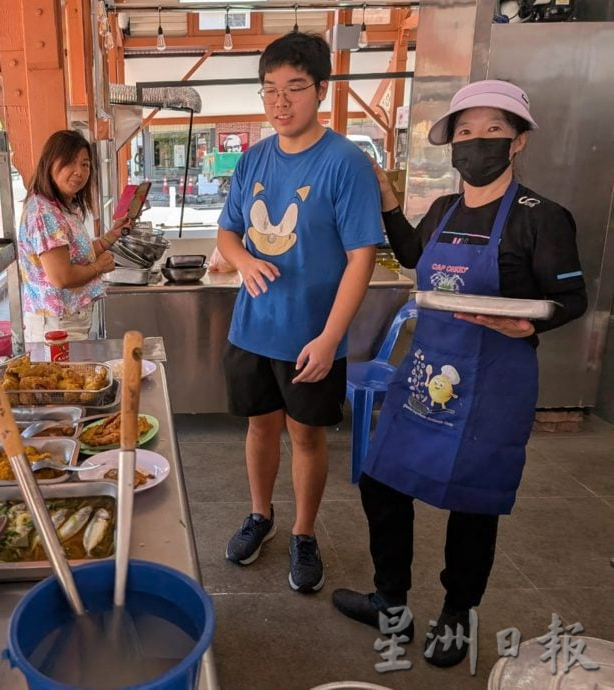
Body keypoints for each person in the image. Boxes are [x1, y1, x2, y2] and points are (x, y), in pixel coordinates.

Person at [331, 80, 587, 668]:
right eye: (464, 133)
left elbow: (570, 298)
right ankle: (390, 600)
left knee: (473, 505)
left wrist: (531, 325)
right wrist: (390, 203)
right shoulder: (445, 209)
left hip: (494, 383)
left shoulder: (541, 217)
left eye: (491, 130)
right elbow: (417, 258)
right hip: (426, 374)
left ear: (517, 141)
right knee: (381, 480)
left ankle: (457, 617)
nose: (475, 144)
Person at [217, 32, 384, 593]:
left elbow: (363, 258)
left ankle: (304, 533)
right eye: (269, 91)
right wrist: (242, 261)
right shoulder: (253, 158)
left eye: (294, 89)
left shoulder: (346, 163)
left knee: (307, 437)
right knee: (259, 427)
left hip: (312, 336)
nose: (280, 102)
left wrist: (331, 337)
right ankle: (261, 516)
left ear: (321, 90)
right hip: (252, 328)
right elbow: (227, 230)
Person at [18, 129, 131, 343]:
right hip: (56, 326)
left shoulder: (62, 207)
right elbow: (62, 277)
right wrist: (99, 267)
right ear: (50, 163)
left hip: (68, 320)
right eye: (70, 162)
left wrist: (110, 238)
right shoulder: (44, 213)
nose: (79, 171)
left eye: (85, 164)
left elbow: (77, 255)